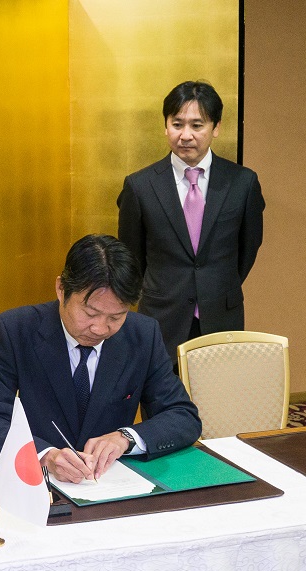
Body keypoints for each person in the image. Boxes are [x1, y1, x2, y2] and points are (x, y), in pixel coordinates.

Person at [0, 234, 201, 484]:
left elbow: (182, 416)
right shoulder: (14, 331)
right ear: (61, 289)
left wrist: (125, 438)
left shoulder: (142, 334)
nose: (100, 329)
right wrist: (45, 456)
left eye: (115, 317)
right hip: (37, 485)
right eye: (90, 313)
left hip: (111, 484)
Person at [117, 80, 264, 365]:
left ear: (216, 127)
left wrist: (214, 285)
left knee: (219, 393)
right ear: (166, 126)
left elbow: (248, 249)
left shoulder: (242, 183)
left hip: (221, 318)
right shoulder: (140, 186)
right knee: (161, 394)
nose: (186, 135)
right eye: (177, 124)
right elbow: (131, 255)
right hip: (161, 318)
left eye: (197, 125)